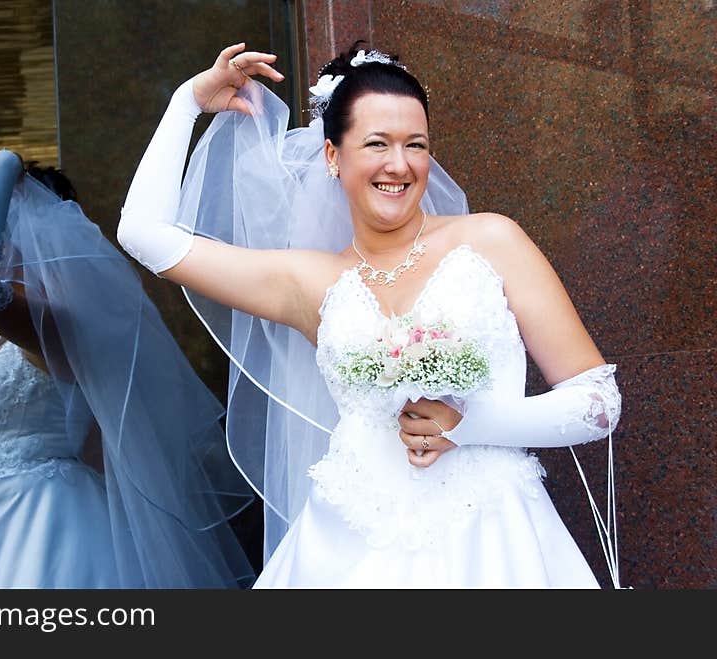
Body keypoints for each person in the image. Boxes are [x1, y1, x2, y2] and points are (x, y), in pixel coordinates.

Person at [117, 42, 623, 588]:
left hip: (489, 539)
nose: (398, 165)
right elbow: (143, 235)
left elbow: (598, 404)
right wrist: (187, 101)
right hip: (349, 549)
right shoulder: (310, 281)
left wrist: (473, 425)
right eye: (376, 143)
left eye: (416, 145)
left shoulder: (490, 241)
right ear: (333, 156)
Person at [0, 150, 254, 588]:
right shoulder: (14, 333)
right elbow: (59, 430)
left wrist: (2, 165)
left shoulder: (55, 322)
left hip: (39, 523)